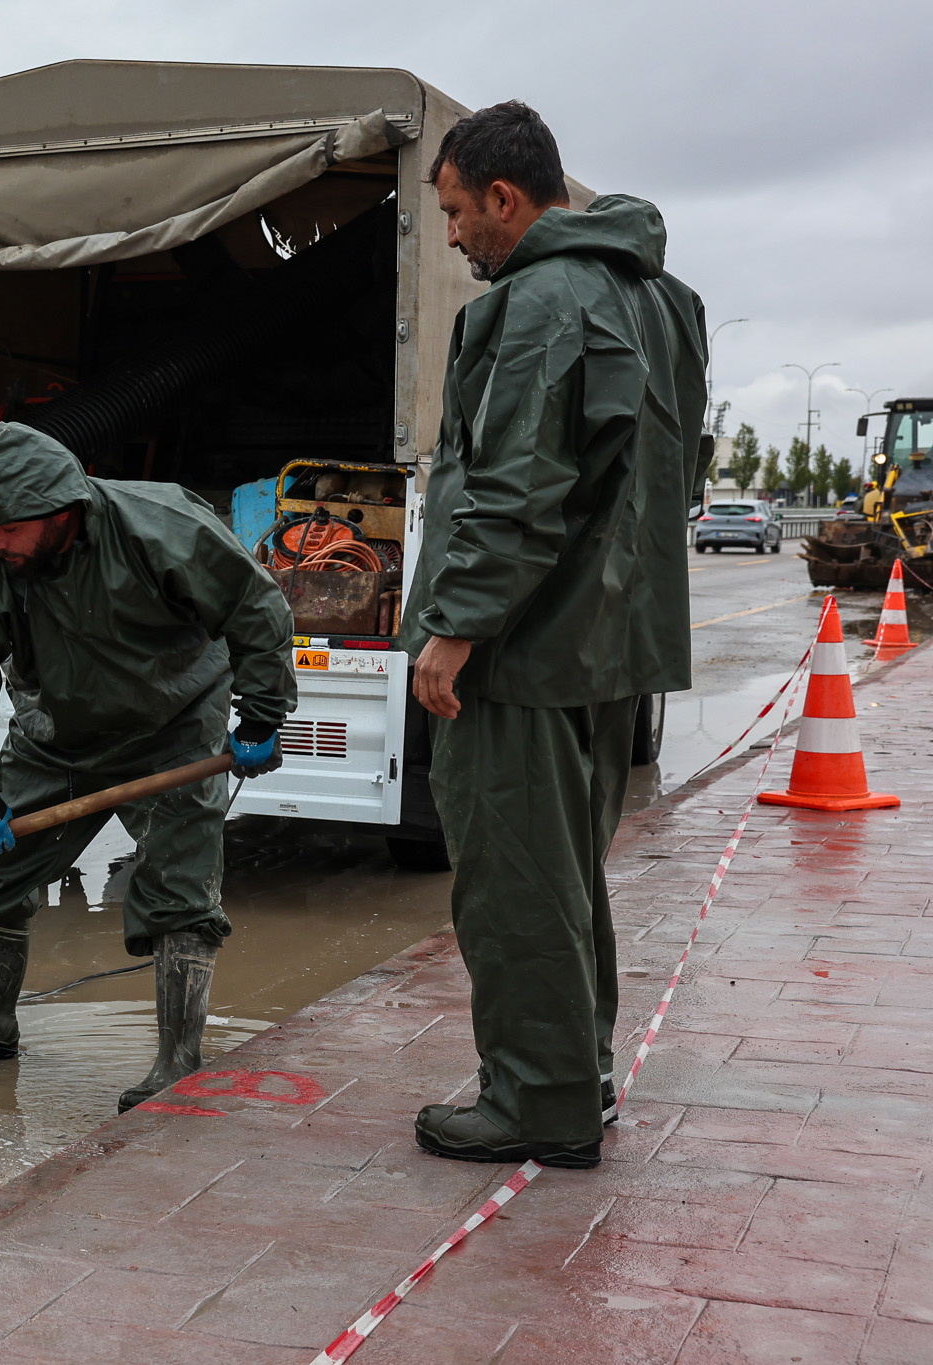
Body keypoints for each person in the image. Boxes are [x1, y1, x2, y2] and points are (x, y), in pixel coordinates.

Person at [398, 102, 708, 1167]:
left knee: (515, 885)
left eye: (455, 213)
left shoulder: (537, 301)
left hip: (522, 652)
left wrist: (455, 627)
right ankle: (577, 1073)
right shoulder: (661, 298)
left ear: (504, 196)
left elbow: (514, 483)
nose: (450, 236)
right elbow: (675, 466)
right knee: (566, 875)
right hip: (606, 644)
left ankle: (538, 1105)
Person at [0, 422, 297, 1112]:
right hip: (56, 735)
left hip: (172, 727)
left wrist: (261, 714)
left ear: (60, 510)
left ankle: (178, 1060)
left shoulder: (159, 527)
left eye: (8, 529)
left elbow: (255, 605)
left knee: (180, 889)